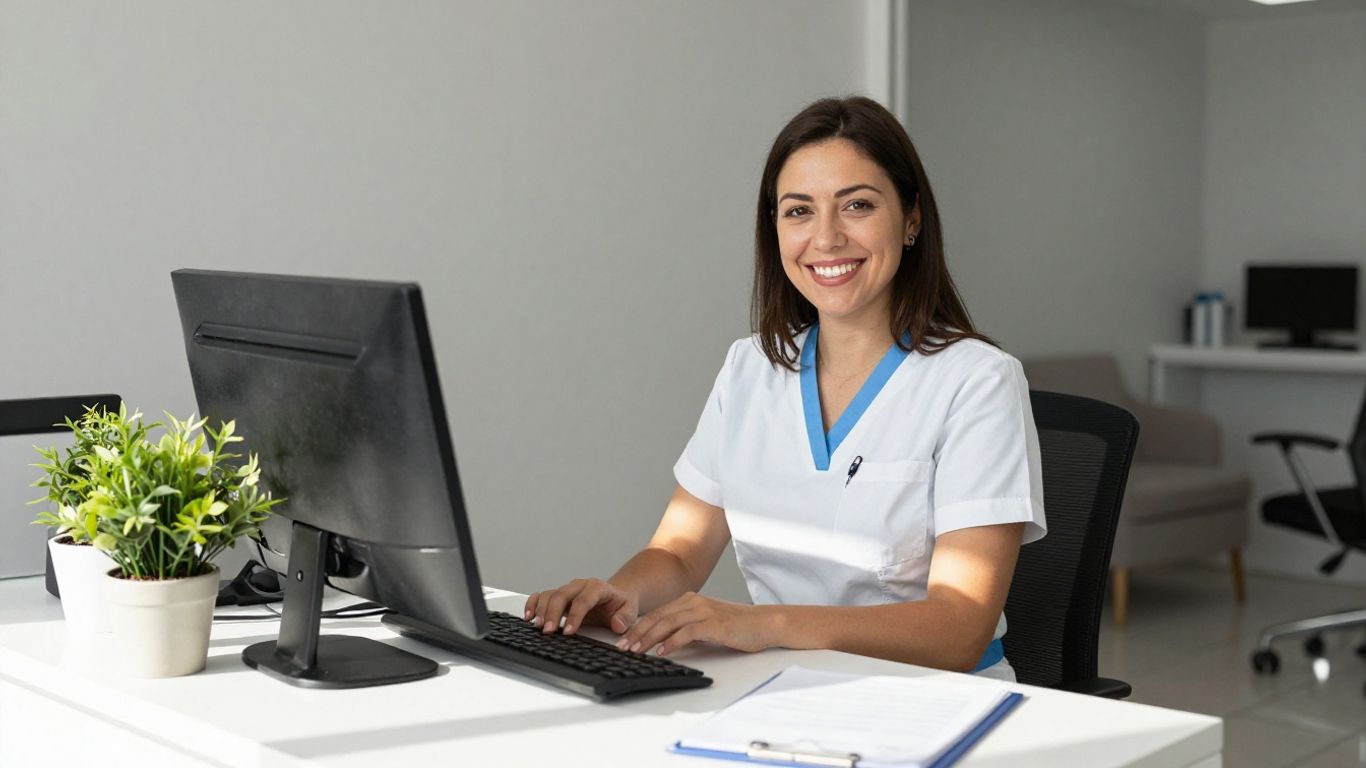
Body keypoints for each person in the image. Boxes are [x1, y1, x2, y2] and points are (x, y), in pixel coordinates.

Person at [525, 96, 1045, 681]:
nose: (825, 238)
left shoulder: (976, 381)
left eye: (857, 205)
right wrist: (616, 598)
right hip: (777, 687)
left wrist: (766, 624)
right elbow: (677, 553)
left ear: (912, 220)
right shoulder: (750, 367)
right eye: (799, 211)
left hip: (933, 702)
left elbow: (958, 628)